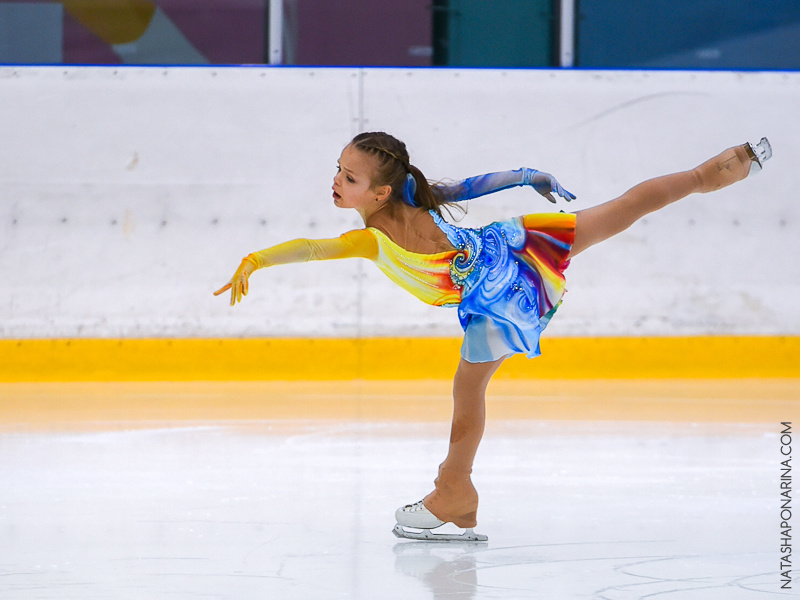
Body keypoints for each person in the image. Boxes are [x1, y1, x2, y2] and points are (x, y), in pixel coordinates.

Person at [214, 132, 771, 541]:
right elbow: (472, 187)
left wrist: (257, 260)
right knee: (619, 210)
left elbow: (315, 249)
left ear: (381, 193)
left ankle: (453, 491)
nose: (336, 181)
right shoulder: (413, 192)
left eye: (349, 178)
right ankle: (713, 171)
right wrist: (527, 175)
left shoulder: (371, 239)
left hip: (494, 296)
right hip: (511, 244)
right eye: (338, 169)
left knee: (468, 389)